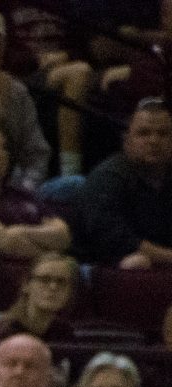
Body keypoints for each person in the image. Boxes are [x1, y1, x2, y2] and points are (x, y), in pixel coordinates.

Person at [74, 98, 171, 270]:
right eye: (144, 133)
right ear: (127, 141)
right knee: (137, 262)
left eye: (163, 134)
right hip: (104, 267)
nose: (154, 141)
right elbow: (116, 240)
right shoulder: (106, 178)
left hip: (163, 266)